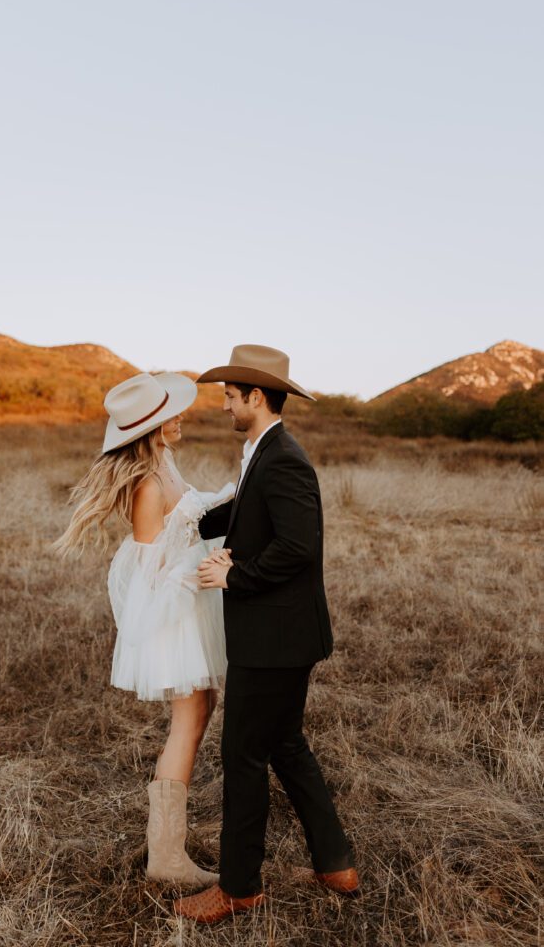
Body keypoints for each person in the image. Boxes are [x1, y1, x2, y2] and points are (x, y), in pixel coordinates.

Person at [173, 345, 358, 924]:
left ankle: (238, 888)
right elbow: (250, 512)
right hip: (281, 634)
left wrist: (235, 575)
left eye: (230, 396)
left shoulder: (285, 459)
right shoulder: (262, 453)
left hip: (274, 639)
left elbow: (298, 547)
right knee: (285, 745)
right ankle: (335, 863)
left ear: (256, 396)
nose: (224, 405)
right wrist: (193, 523)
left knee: (243, 754)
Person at [55, 371, 234, 887]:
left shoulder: (167, 464)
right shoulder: (148, 486)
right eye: (172, 414)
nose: (181, 418)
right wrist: (195, 570)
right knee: (191, 715)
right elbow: (150, 572)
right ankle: (167, 857)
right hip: (170, 615)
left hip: (191, 606)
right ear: (153, 426)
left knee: (202, 707)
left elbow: (193, 521)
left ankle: (168, 843)